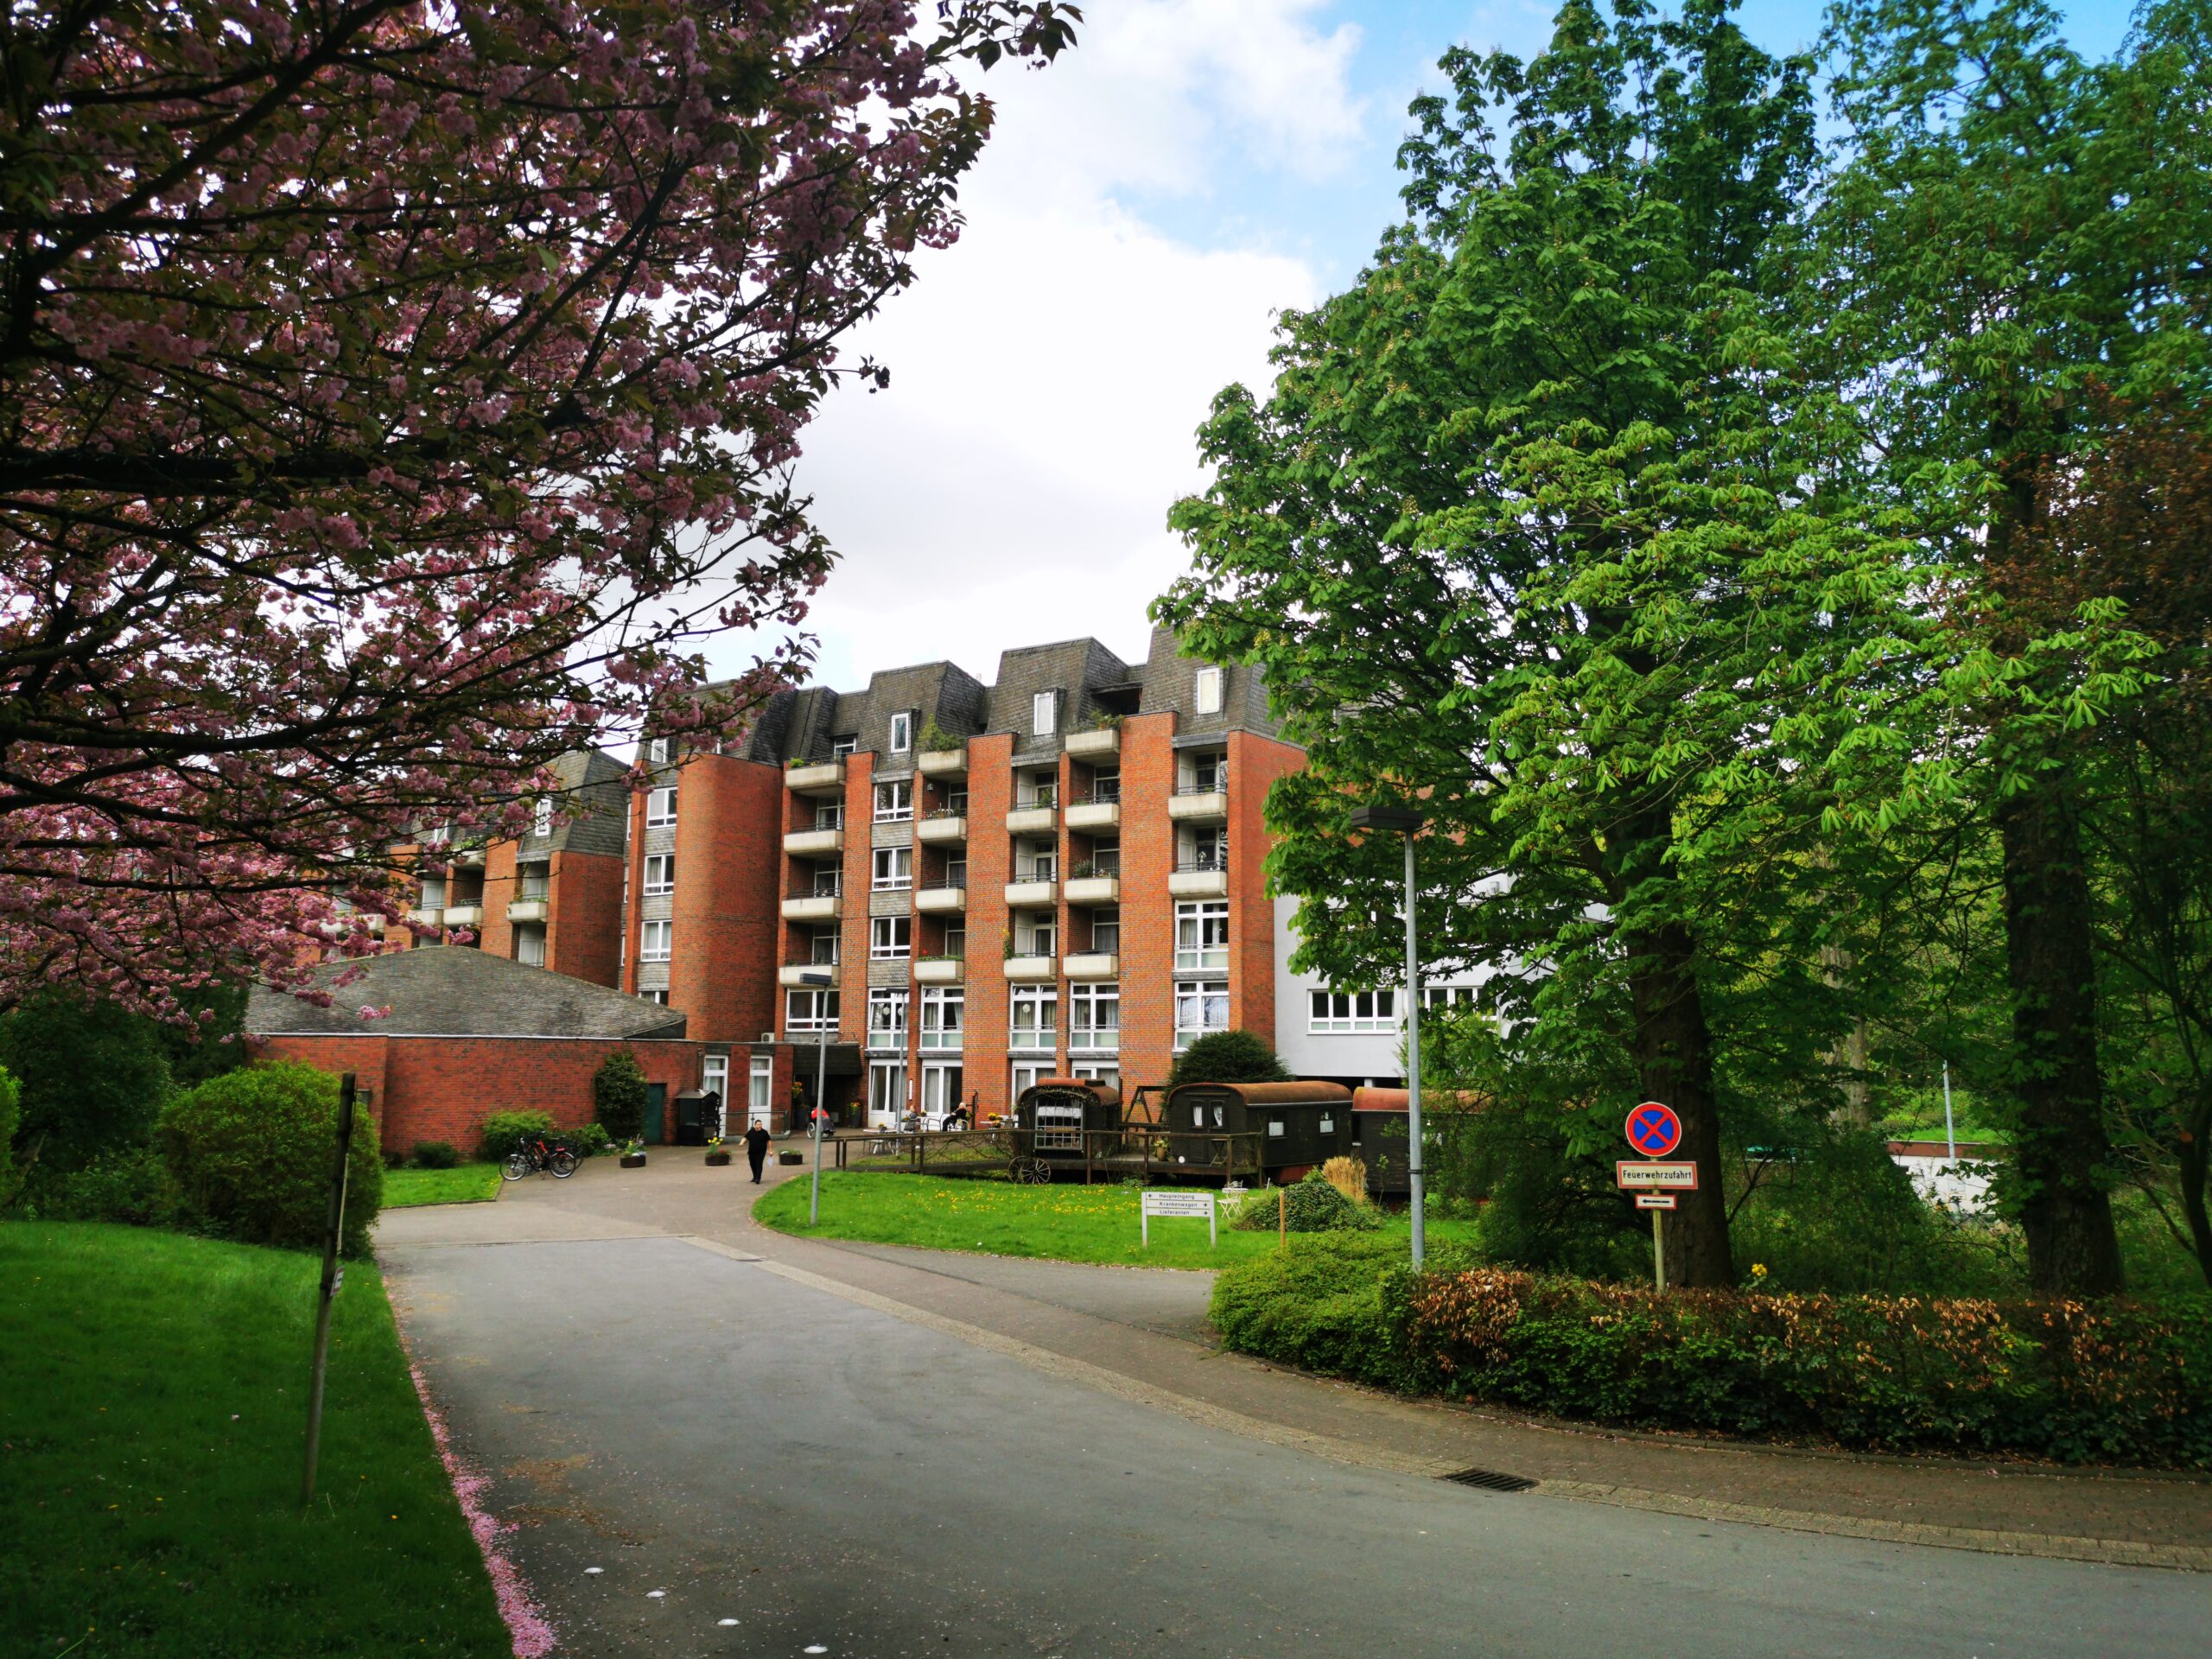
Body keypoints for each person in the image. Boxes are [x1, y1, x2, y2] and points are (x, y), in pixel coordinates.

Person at [744, 1118, 772, 1184]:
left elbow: (769, 1141)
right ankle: (755, 1177)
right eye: (758, 1124)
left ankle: (758, 1178)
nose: (760, 1126)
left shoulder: (764, 1132)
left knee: (759, 1164)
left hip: (761, 1152)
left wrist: (770, 1150)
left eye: (760, 1124)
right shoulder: (751, 1131)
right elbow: (745, 1138)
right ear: (755, 1125)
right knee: (752, 1164)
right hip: (752, 1151)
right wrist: (742, 1142)